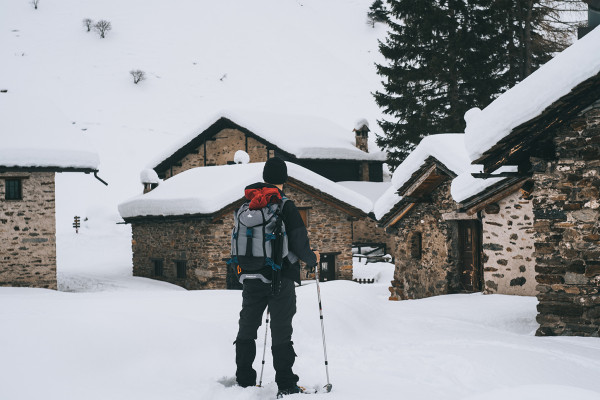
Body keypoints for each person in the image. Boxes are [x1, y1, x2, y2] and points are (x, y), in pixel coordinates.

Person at [234, 157, 320, 397]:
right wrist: (313, 258)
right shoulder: (284, 205)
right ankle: (286, 383)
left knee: (247, 327)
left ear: (264, 177)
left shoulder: (248, 204)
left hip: (250, 276)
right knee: (281, 330)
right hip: (279, 278)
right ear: (285, 179)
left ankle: (244, 380)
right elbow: (300, 244)